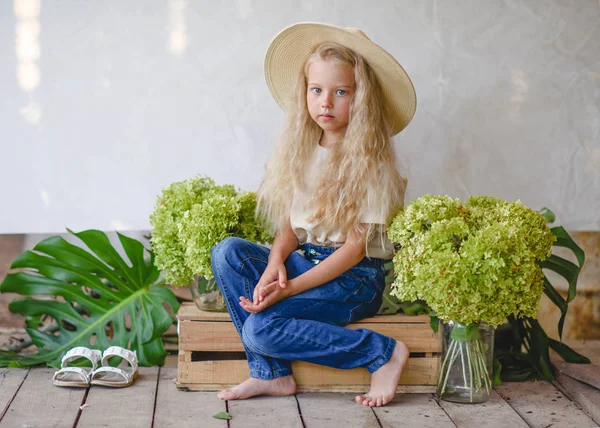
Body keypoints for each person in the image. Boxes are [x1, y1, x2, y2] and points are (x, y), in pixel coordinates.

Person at [210, 22, 416, 407]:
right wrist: (275, 263)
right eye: (316, 90)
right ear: (304, 92)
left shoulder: (372, 163)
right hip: (305, 262)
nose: (326, 102)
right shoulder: (300, 150)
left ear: (362, 99)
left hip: (352, 277)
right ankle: (272, 376)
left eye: (341, 92)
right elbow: (290, 226)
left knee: (261, 329)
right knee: (227, 252)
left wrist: (288, 289)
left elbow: (354, 250)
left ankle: (381, 353)